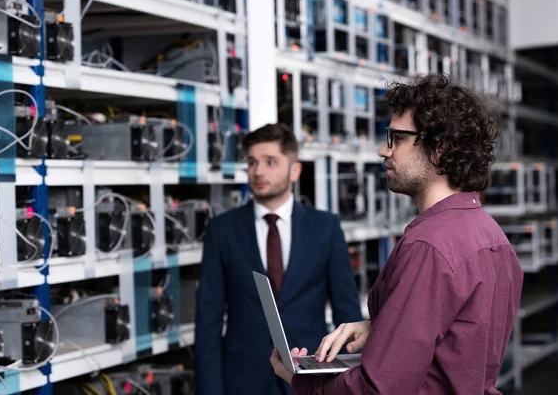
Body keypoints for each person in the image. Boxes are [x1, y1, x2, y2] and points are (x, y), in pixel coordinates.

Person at [270, 73, 524, 394]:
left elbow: (378, 389)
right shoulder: (494, 239)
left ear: (439, 150)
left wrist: (302, 380)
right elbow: (457, 343)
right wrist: (382, 326)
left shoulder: (429, 245)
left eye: (397, 139)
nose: (383, 151)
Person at [195, 123, 363, 395]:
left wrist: (351, 384)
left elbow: (348, 315)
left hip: (311, 374)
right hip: (243, 378)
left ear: (294, 170)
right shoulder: (222, 230)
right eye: (252, 162)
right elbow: (208, 323)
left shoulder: (325, 228)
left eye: (270, 162)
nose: (258, 171)